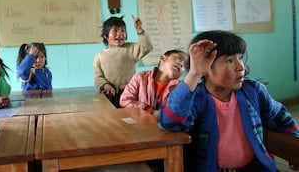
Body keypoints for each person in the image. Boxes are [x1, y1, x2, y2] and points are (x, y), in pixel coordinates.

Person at [158, 30, 299, 172]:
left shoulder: (253, 91)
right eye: (230, 60)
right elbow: (170, 123)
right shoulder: (195, 97)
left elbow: (280, 117)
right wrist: (194, 74)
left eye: (240, 58)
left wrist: (294, 146)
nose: (240, 67)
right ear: (206, 67)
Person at [93, 15, 153, 108]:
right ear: (106, 36)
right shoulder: (99, 56)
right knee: (113, 118)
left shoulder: (131, 48)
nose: (120, 33)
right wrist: (106, 86)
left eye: (123, 30)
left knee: (132, 117)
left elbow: (147, 47)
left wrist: (140, 31)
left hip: (130, 92)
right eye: (115, 30)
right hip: (110, 94)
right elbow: (98, 77)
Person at [120, 49, 187, 116]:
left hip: (162, 126)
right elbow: (125, 101)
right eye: (179, 59)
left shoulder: (180, 88)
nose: (182, 64)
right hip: (137, 123)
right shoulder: (140, 77)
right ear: (163, 58)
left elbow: (180, 112)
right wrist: (150, 111)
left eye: (185, 65)